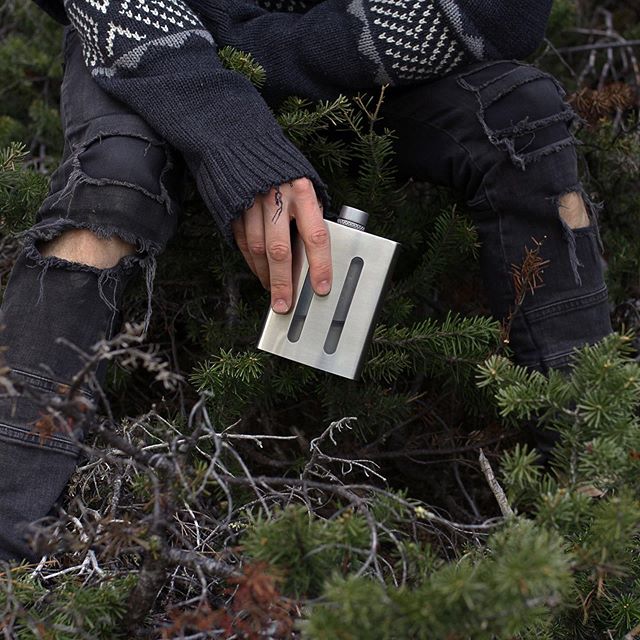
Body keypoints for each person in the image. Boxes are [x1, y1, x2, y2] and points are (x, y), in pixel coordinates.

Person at [0, 0, 613, 562]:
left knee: (520, 118)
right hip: (155, 33)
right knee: (113, 187)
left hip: (354, 42)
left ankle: (597, 488)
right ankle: (8, 524)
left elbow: (501, 11)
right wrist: (232, 133)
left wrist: (261, 53)